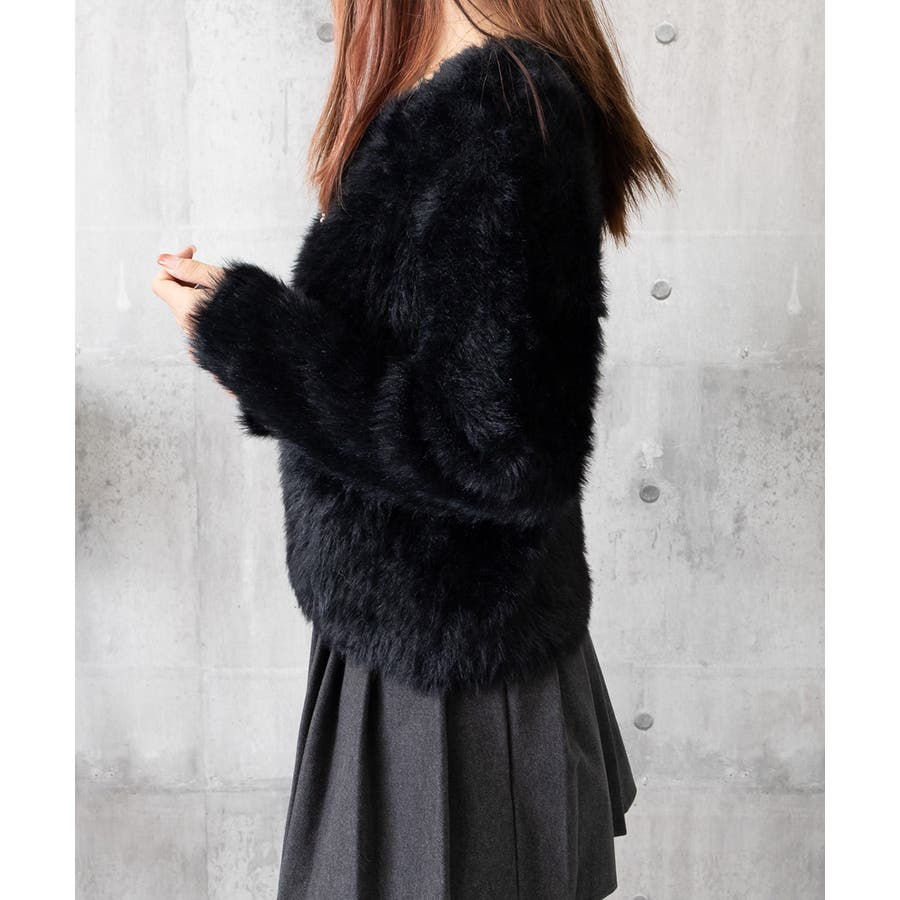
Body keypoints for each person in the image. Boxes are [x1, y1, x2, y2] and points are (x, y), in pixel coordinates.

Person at [152, 1, 671, 897]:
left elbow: (497, 448)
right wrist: (255, 356)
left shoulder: (504, 108)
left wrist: (245, 335)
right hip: (417, 649)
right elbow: (437, 386)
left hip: (453, 684)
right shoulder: (467, 98)